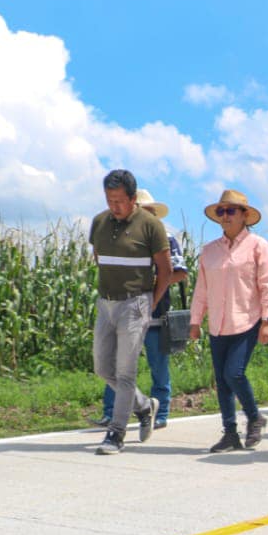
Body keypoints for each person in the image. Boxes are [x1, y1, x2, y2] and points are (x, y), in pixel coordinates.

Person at [88, 169, 172, 455]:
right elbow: (99, 259)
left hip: (136, 304)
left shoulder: (150, 225)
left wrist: (150, 301)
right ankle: (145, 405)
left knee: (125, 373)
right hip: (106, 303)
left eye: (120, 200)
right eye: (110, 199)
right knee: (102, 368)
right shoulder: (99, 222)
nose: (115, 205)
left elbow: (166, 271)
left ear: (133, 198)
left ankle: (116, 433)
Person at [189, 190, 268, 452]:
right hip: (217, 323)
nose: (225, 216)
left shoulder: (258, 246)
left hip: (247, 320)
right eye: (221, 212)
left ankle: (254, 417)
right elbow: (201, 289)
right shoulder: (209, 251)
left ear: (244, 216)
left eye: (231, 211)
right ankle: (230, 433)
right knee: (222, 379)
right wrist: (195, 321)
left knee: (234, 373)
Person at [95, 189, 188, 430]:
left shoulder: (166, 237)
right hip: (124, 311)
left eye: (147, 211)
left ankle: (161, 412)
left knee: (158, 366)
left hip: (156, 314)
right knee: (116, 366)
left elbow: (179, 272)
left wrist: (154, 287)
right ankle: (110, 412)